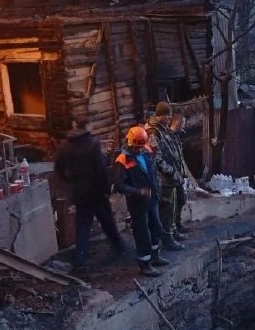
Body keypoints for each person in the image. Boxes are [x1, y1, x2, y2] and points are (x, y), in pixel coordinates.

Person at [54, 119, 129, 268]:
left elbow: (58, 169)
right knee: (107, 221)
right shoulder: (92, 144)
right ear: (87, 126)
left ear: (74, 127)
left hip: (80, 193)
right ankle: (120, 248)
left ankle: (81, 256)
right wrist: (106, 190)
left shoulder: (66, 146)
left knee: (82, 225)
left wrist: (71, 181)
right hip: (96, 192)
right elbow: (100, 170)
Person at [114, 126, 169, 277]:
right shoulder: (122, 160)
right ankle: (144, 264)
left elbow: (152, 171)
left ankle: (154, 256)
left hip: (152, 198)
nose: (139, 150)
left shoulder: (146, 151)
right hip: (137, 202)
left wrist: (157, 189)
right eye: (137, 147)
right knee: (142, 232)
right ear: (129, 144)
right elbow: (119, 185)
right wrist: (137, 192)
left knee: (156, 227)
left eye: (141, 147)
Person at [145, 102, 185, 251]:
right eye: (167, 117)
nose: (169, 119)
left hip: (171, 177)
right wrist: (171, 171)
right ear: (160, 116)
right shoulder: (153, 132)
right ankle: (167, 238)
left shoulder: (162, 129)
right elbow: (156, 159)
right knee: (166, 210)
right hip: (163, 178)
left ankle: (172, 232)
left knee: (172, 208)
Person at [169, 110, 190, 238]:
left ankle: (178, 223)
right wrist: (174, 173)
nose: (184, 126)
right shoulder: (168, 137)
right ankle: (173, 229)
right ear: (178, 122)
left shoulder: (177, 136)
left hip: (179, 175)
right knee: (173, 204)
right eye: (183, 123)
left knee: (181, 199)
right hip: (172, 176)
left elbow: (179, 157)